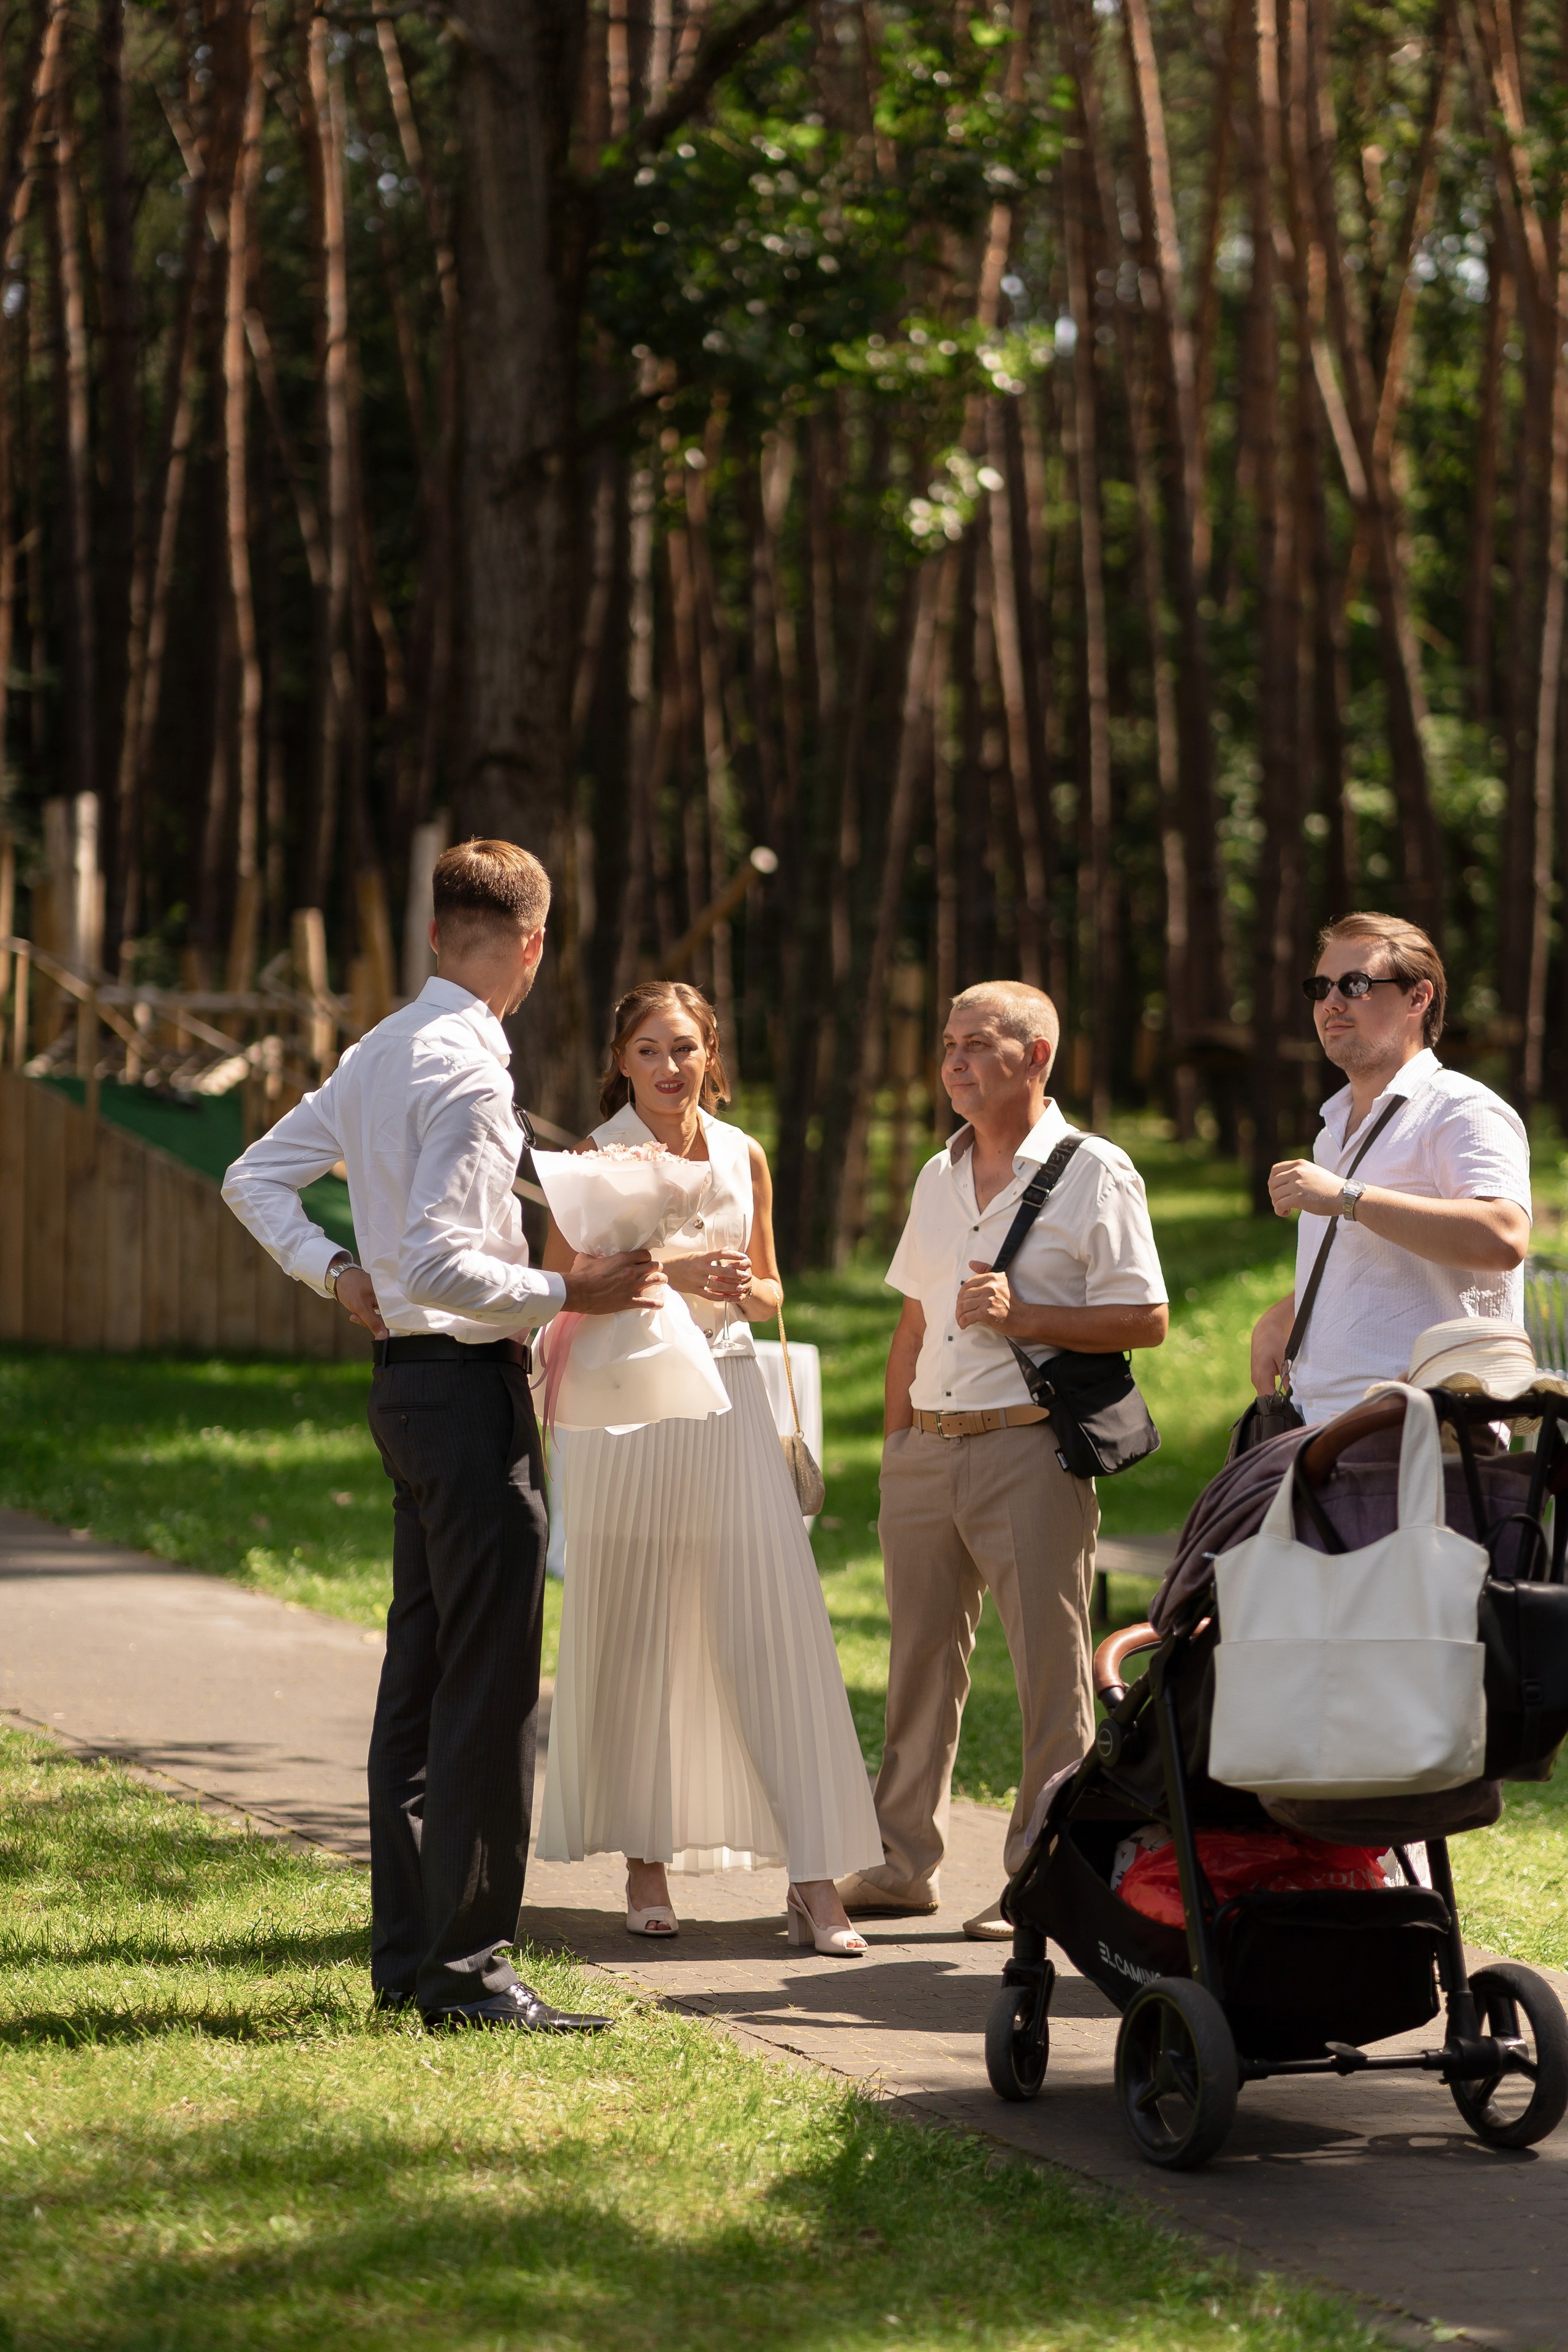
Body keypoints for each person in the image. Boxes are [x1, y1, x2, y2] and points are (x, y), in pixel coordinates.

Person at [223, 839, 661, 2032]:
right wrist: (571, 1291)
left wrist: (330, 1270)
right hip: (466, 1399)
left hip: (403, 1395)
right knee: (488, 1688)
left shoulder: (378, 1049)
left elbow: (252, 1177)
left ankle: (411, 1961)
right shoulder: (467, 1073)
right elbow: (436, 1260)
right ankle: (470, 1977)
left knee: (419, 1682)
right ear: (533, 946)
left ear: (434, 935)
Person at [537, 980, 884, 1956]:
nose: (668, 1067)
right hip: (628, 1410)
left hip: (730, 1395)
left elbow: (772, 1291)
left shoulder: (743, 1153)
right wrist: (668, 1274)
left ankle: (814, 1881)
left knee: (775, 1624)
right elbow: (558, 1287)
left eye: (684, 1048)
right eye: (648, 1049)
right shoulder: (592, 1158)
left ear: (711, 1053)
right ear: (621, 1061)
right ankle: (645, 1865)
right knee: (637, 1626)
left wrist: (744, 1283)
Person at [836, 982, 1169, 1938]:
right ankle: (902, 1864)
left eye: (979, 1043)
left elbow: (1147, 1318)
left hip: (1029, 1448)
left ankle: (1043, 1875)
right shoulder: (937, 1175)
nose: (955, 1060)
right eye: (949, 1043)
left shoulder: (1096, 1170)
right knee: (916, 1668)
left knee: (1049, 1674)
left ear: (1038, 1057)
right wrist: (897, 1444)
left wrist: (1025, 1317)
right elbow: (914, 1321)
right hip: (926, 1452)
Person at [1250, 913, 1531, 1426]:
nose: (1332, 1003)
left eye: (1355, 985)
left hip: (1425, 1434)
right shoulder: (1333, 1128)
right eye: (1320, 987)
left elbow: (1504, 1237)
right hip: (1321, 1426)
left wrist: (1348, 1197)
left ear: (1417, 998)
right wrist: (1286, 1314)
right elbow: (1382, 1264)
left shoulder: (1461, 1108)